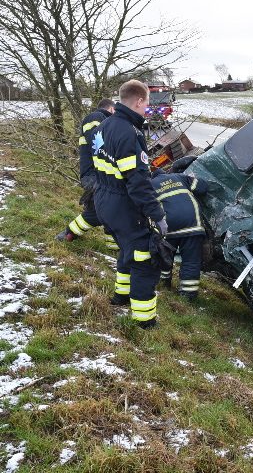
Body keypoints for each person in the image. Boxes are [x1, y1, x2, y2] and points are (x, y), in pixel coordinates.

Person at [92, 80, 167, 329]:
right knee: (145, 259)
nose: (147, 109)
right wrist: (157, 214)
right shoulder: (129, 132)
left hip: (103, 200)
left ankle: (121, 296)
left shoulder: (103, 126)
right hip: (122, 205)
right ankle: (144, 321)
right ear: (138, 101)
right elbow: (137, 182)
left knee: (127, 249)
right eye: (147, 103)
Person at [56, 99, 119, 250]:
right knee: (106, 209)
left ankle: (113, 248)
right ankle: (67, 234)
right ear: (111, 108)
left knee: (108, 209)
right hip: (94, 175)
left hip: (99, 174)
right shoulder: (95, 117)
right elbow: (99, 144)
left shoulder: (104, 120)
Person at [151, 170, 208, 300]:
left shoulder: (150, 184)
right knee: (191, 260)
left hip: (169, 226)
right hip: (193, 224)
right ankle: (188, 295)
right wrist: (194, 177)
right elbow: (203, 188)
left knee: (164, 255)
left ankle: (163, 284)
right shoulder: (179, 177)